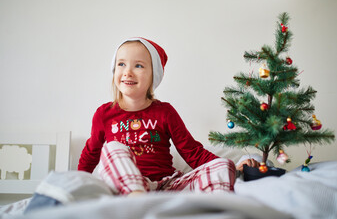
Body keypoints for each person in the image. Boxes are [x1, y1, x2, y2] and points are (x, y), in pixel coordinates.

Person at [77, 37, 238, 196]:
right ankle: (137, 199)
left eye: (138, 65)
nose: (127, 72)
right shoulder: (104, 114)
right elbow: (91, 154)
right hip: (126, 188)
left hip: (166, 187)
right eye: (121, 64)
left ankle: (216, 206)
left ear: (154, 75)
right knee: (112, 148)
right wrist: (76, 183)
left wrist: (234, 167)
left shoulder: (165, 112)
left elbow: (192, 151)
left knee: (223, 165)